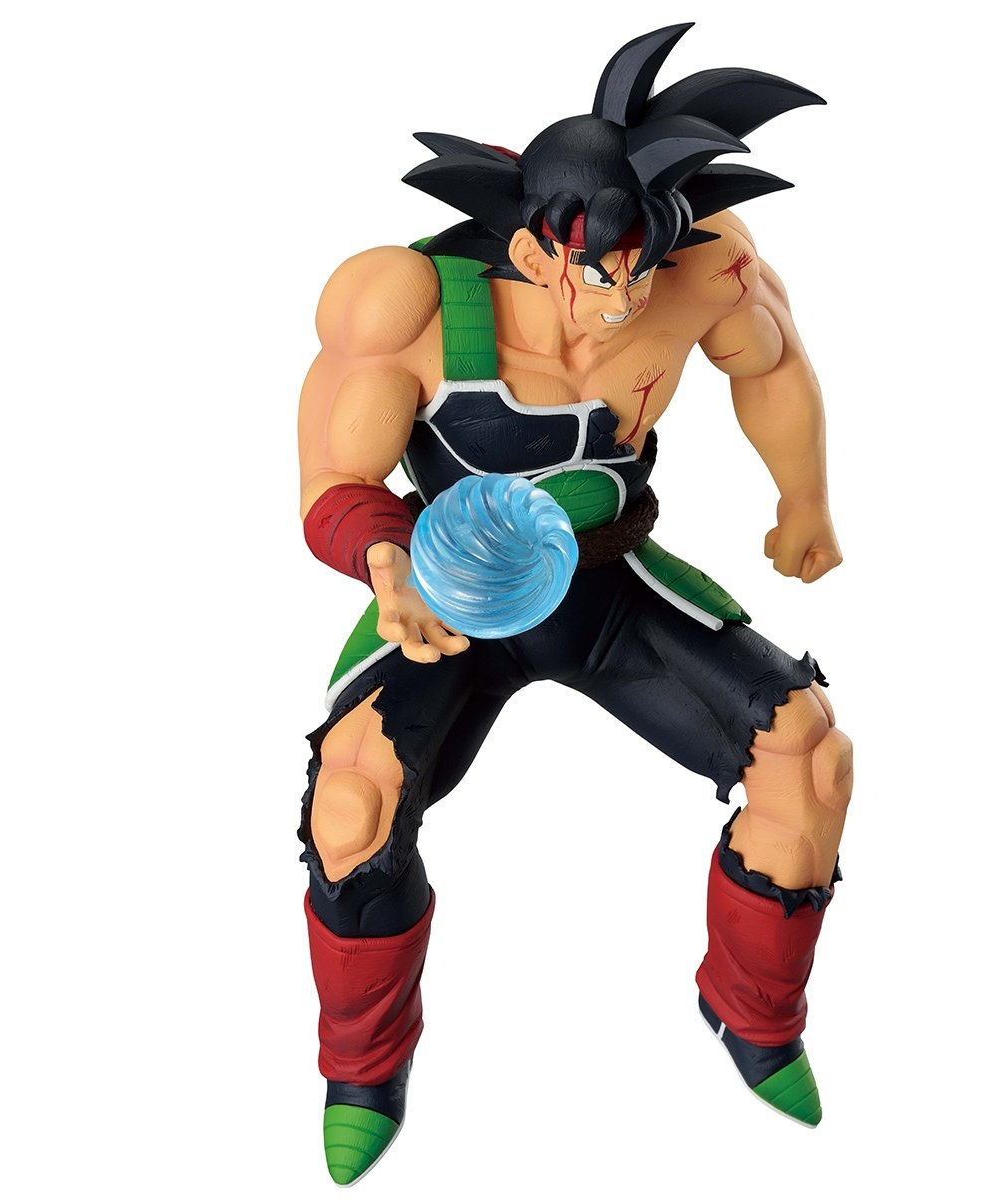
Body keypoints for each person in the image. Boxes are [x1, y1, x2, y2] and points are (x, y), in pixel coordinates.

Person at [296, 23, 853, 1185]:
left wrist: (803, 498)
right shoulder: (406, 303)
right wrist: (388, 568)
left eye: (644, 265)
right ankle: (363, 1065)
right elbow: (335, 484)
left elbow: (771, 365)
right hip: (449, 590)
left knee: (806, 761)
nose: (625, 295)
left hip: (608, 580)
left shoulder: (703, 266)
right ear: (536, 245)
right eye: (602, 271)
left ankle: (753, 1013)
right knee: (350, 814)